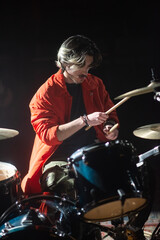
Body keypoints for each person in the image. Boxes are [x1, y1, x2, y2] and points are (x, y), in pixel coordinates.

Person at [21, 35, 119, 196]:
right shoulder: (46, 93)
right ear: (65, 63)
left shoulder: (95, 84)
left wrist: (110, 126)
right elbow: (49, 136)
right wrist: (85, 120)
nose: (86, 72)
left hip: (91, 151)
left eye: (89, 67)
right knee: (60, 183)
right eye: (82, 66)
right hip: (59, 157)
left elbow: (110, 112)